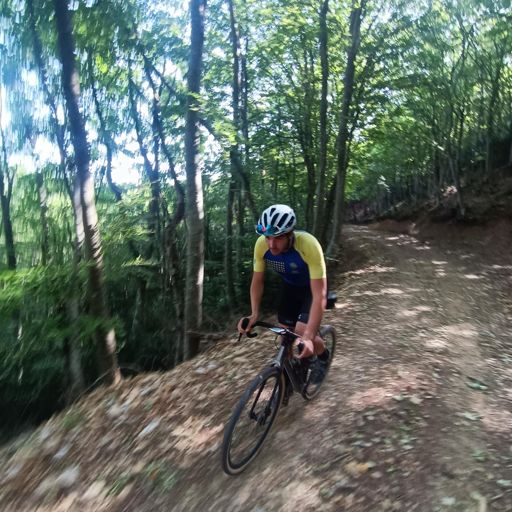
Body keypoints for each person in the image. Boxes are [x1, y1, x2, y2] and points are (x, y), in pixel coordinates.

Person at [238, 204, 330, 383]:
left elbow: (320, 295)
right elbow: (257, 281)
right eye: (268, 237)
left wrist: (309, 336)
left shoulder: (308, 244)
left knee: (302, 331)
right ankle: (287, 378)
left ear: (290, 234)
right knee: (285, 335)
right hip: (290, 287)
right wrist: (254, 314)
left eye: (278, 238)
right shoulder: (261, 246)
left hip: (312, 289)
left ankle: (323, 356)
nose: (271, 244)